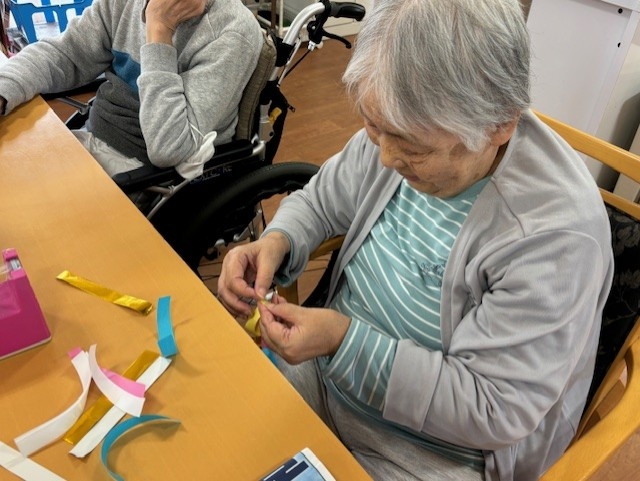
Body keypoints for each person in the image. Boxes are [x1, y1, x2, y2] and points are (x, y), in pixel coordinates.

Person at [217, 0, 614, 480]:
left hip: (431, 455)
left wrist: (342, 342)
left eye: (412, 148)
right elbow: (321, 200)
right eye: (373, 129)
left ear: (499, 126)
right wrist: (278, 241)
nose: (385, 159)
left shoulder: (555, 236)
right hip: (324, 378)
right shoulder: (404, 121)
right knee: (215, 432)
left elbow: (492, 407)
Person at [0, 0, 263, 179]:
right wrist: (4, 89)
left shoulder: (232, 32)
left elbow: (168, 148)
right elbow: (65, 54)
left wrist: (159, 30)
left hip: (150, 178)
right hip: (93, 142)